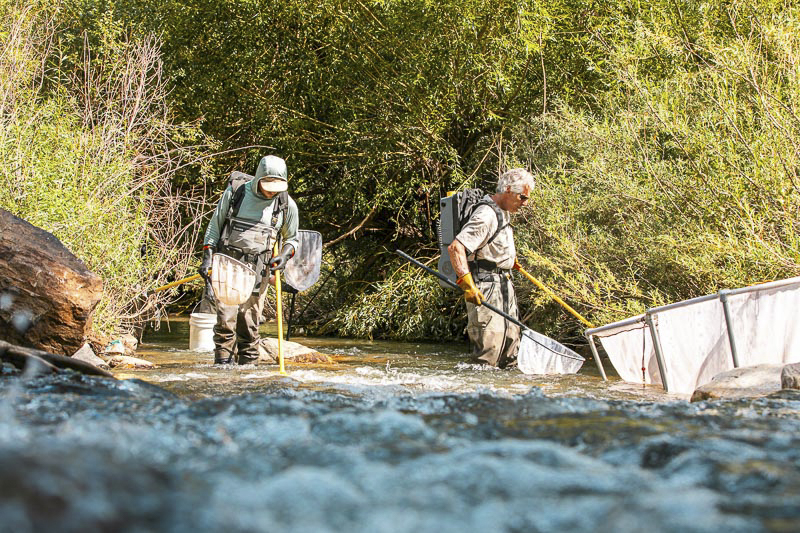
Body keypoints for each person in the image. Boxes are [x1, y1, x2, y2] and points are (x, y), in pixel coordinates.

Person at [198, 155, 300, 365]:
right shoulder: (236, 193)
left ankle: (248, 373)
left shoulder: (286, 204)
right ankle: (222, 369)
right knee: (226, 321)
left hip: (259, 270)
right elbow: (214, 228)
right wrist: (207, 258)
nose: (272, 191)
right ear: (259, 178)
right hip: (228, 267)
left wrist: (283, 256)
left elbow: (293, 239)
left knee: (249, 322)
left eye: (276, 186)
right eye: (268, 185)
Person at [447, 168, 534, 368]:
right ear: (509, 189)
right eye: (522, 197)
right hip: (486, 287)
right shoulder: (486, 214)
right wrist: (466, 284)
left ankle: (506, 397)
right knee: (487, 357)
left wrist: (509, 259)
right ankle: (475, 396)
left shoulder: (504, 212)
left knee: (510, 353)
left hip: (504, 284)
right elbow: (456, 248)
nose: (525, 203)